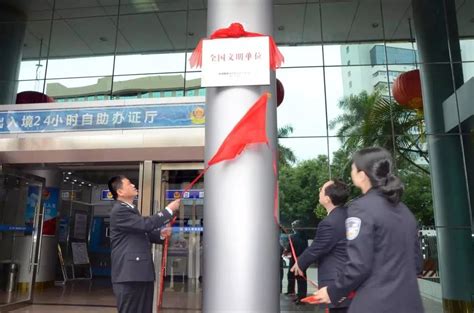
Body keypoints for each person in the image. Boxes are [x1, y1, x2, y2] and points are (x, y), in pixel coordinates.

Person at [313, 147, 424, 313]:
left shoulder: (361, 209)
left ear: (362, 175)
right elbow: (416, 264)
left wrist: (332, 291)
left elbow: (358, 265)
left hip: (375, 304)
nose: (351, 171)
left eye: (352, 167)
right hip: (410, 304)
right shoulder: (404, 210)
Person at [108, 175, 180, 313]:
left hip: (138, 272)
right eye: (129, 184)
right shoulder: (119, 210)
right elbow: (144, 225)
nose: (134, 186)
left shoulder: (130, 209)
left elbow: (140, 232)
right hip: (129, 274)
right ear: (120, 192)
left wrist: (160, 234)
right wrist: (168, 210)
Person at [291, 179, 350, 313]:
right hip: (349, 282)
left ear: (328, 199)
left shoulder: (330, 222)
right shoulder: (349, 216)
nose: (319, 192)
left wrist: (300, 263)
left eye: (321, 190)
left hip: (337, 286)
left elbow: (317, 247)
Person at [285, 219, 308, 304]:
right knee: (301, 278)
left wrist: (285, 251)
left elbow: (289, 248)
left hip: (295, 260)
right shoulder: (304, 236)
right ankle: (301, 296)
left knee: (294, 277)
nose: (292, 227)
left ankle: (299, 297)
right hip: (303, 259)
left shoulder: (292, 237)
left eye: (293, 226)